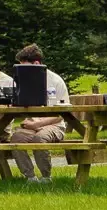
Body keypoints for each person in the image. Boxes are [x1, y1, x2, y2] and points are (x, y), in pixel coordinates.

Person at [6, 45, 69, 182]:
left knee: (39, 139)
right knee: (16, 138)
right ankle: (30, 177)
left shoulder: (55, 81)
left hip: (55, 125)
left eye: (25, 67)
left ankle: (46, 177)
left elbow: (61, 114)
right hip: (33, 124)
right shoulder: (24, 81)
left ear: (36, 63)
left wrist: (39, 124)